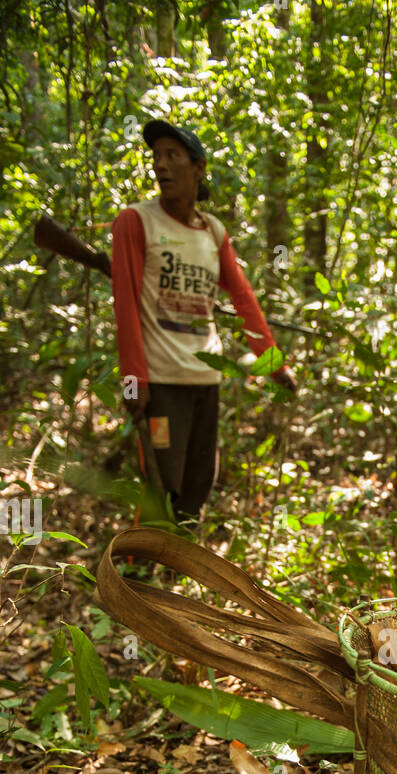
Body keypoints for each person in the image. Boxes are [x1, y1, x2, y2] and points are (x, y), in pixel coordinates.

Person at [111, 119, 295, 518]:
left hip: (204, 381)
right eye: (156, 156)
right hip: (161, 385)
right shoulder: (136, 221)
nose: (161, 165)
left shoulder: (212, 231)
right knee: (161, 486)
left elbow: (244, 299)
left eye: (172, 156)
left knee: (198, 486)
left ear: (198, 168)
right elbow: (124, 306)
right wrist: (133, 383)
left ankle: (179, 571)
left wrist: (273, 363)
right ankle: (138, 573)